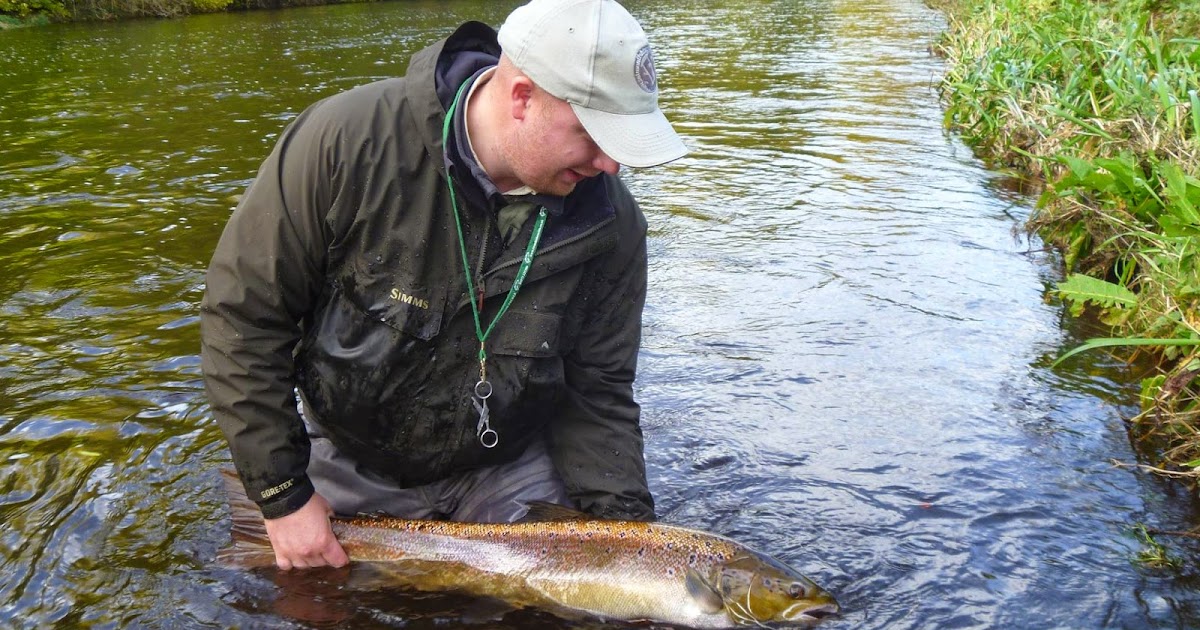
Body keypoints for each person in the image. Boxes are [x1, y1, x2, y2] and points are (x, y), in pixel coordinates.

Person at [200, 0, 687, 571]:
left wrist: (627, 545)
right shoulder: (345, 144)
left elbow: (598, 392)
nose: (612, 165)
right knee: (313, 601)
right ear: (523, 97)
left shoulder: (612, 225)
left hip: (506, 468)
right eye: (593, 134)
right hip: (352, 455)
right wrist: (282, 496)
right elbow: (244, 319)